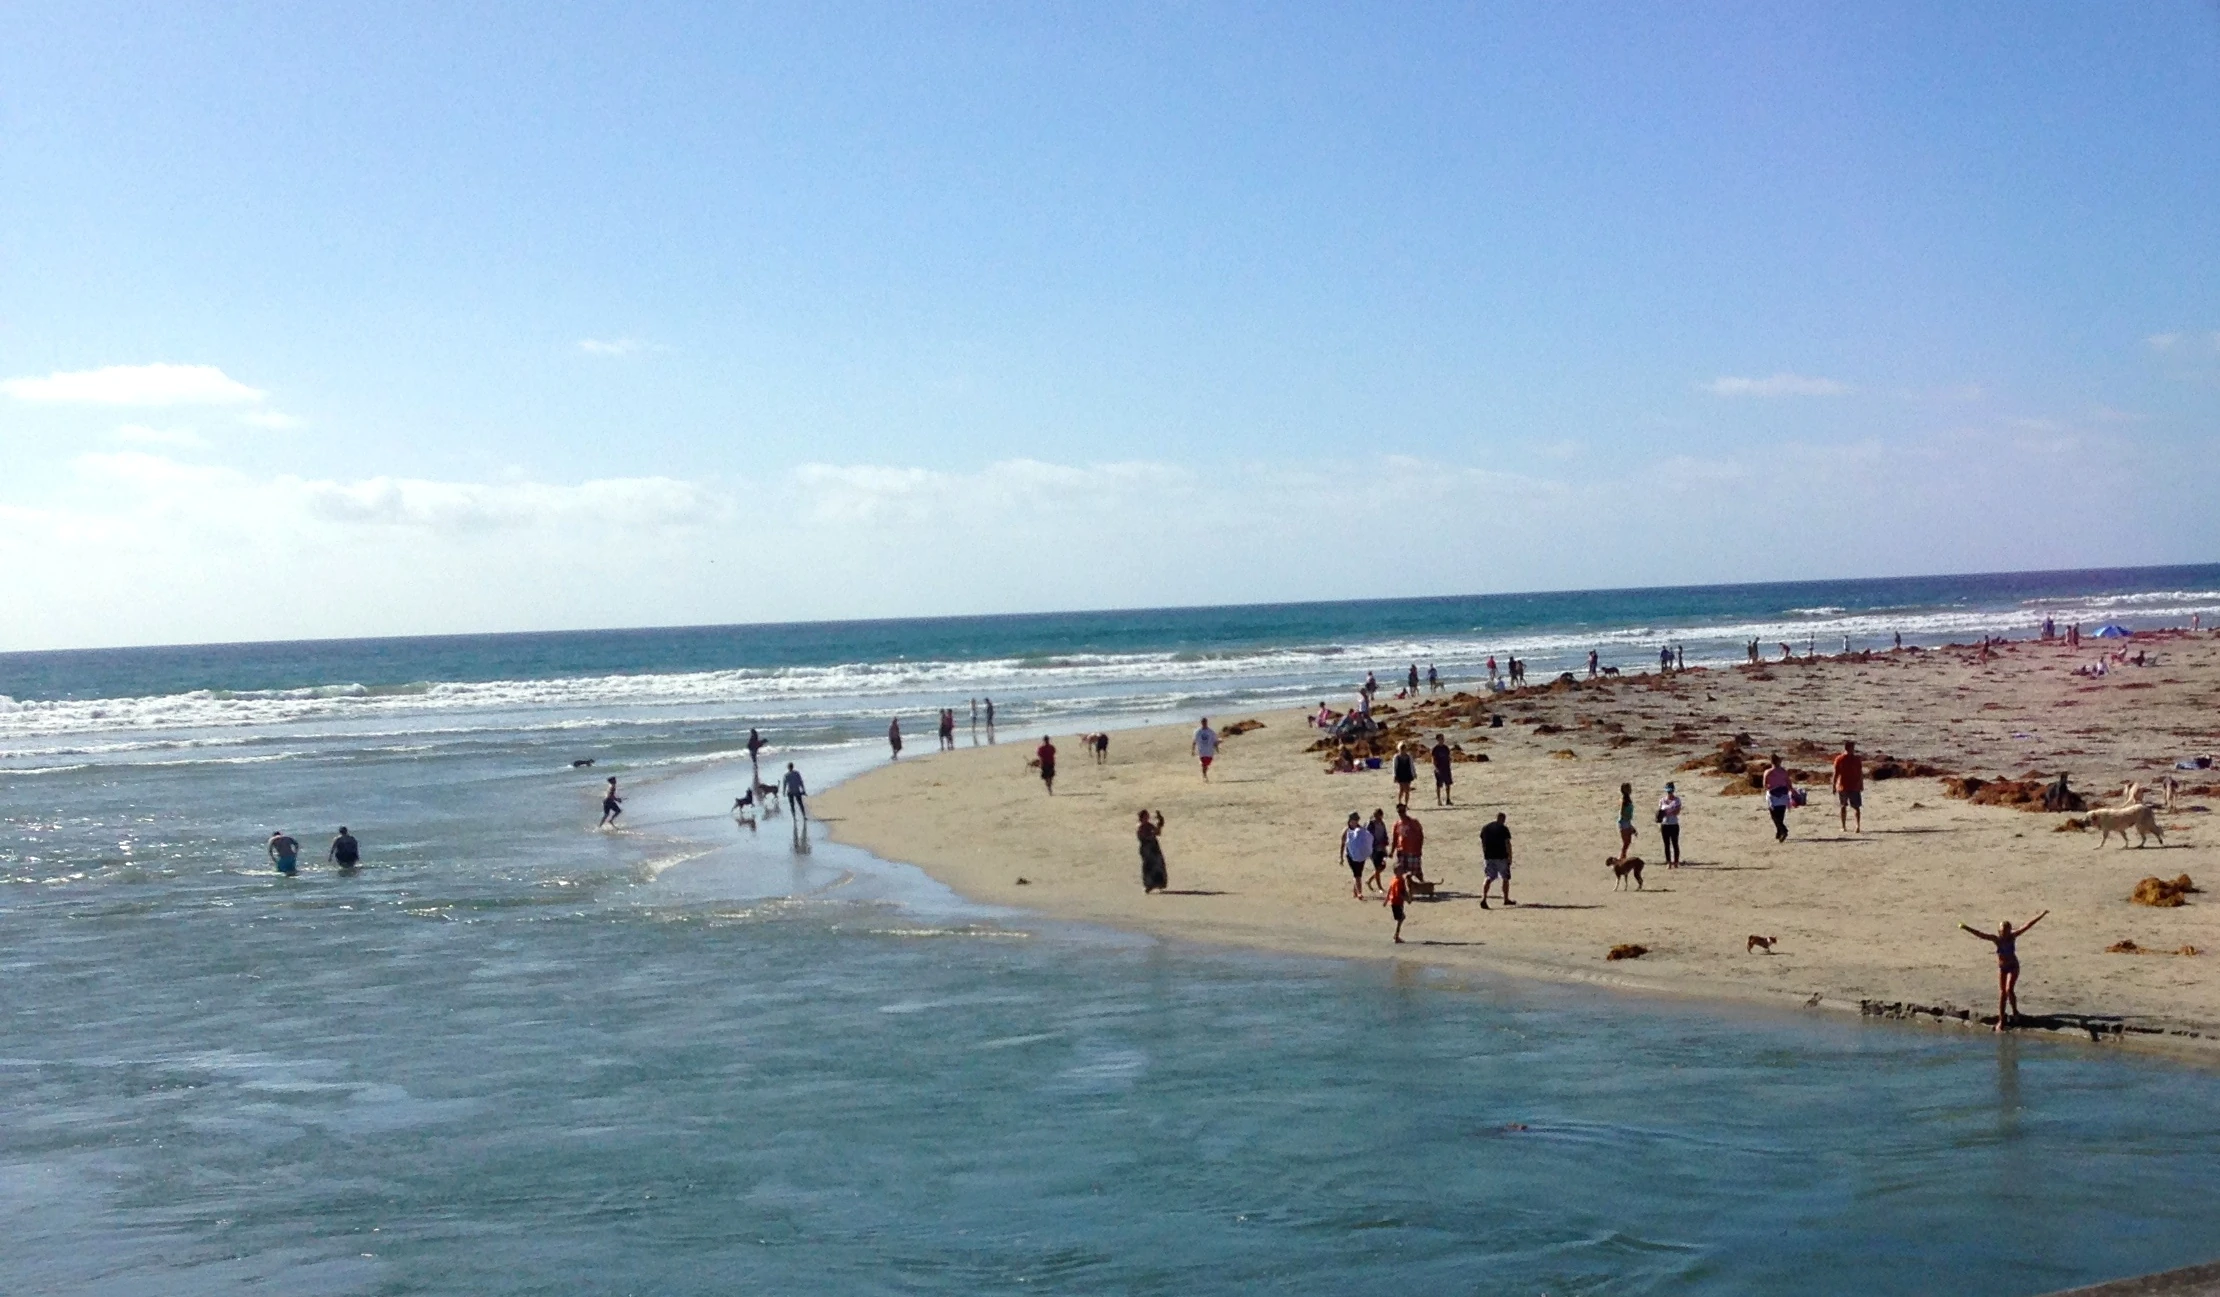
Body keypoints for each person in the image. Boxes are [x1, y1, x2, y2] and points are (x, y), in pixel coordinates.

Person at [1961, 911, 2049, 1031]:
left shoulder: (2013, 936)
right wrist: (1966, 927)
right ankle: (2001, 1019)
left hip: (2013, 966)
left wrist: (2042, 915)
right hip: (2003, 968)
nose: (2005, 933)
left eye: (2007, 931)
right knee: (2002, 993)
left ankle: (2015, 1012)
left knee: (2009, 990)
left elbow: (2027, 925)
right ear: (1999, 931)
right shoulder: (1996, 939)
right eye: (2003, 931)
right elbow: (1981, 935)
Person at [1479, 812, 1513, 909]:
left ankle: (1484, 898)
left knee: (1489, 877)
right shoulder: (1503, 829)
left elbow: (1483, 842)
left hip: (1489, 857)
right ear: (1503, 819)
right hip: (1501, 856)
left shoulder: (1485, 828)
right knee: (1505, 878)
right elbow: (1507, 843)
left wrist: (1485, 853)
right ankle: (1506, 899)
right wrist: (1510, 857)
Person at [1832, 739, 1865, 833]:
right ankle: (1848, 826)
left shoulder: (1852, 759)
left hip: (1849, 786)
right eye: (1852, 748)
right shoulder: (1842, 759)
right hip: (1846, 785)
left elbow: (1860, 773)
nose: (1853, 750)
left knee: (1850, 806)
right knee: (1848, 806)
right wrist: (1834, 785)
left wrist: (1834, 785)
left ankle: (1854, 826)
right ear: (1848, 748)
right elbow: (1836, 773)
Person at [1341, 812, 1373, 900]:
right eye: (1354, 820)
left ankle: (1355, 892)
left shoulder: (1361, 830)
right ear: (1350, 820)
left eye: (1357, 820)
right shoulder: (1346, 831)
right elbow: (1343, 844)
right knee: (1357, 874)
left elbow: (1366, 841)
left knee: (1358, 874)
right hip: (1350, 855)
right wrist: (1341, 857)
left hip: (1361, 855)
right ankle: (1359, 893)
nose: (1355, 821)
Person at [1136, 810, 1168, 893]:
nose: (1148, 817)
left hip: (1154, 847)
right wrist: (1151, 835)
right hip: (1147, 848)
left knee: (1158, 865)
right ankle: (1148, 885)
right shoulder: (1140, 826)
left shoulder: (1149, 825)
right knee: (1149, 866)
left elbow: (1157, 833)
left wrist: (1160, 824)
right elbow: (1143, 837)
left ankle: (1159, 884)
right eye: (1146, 816)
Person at [1391, 807, 1425, 882]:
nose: (1401, 813)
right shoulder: (1397, 824)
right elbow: (1395, 838)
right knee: (1401, 871)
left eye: (1402, 811)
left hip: (1413, 851)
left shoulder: (1413, 822)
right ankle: (1403, 886)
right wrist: (1392, 851)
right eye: (1399, 812)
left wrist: (1419, 848)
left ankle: (1423, 884)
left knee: (1416, 871)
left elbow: (1420, 835)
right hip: (1401, 851)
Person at [1763, 754, 1793, 842]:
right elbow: (1788, 782)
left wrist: (1768, 787)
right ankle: (1779, 831)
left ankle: (1783, 830)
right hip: (1783, 794)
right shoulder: (1783, 771)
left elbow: (1765, 784)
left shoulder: (1768, 772)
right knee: (1781, 814)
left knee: (1774, 815)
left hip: (1773, 794)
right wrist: (1792, 790)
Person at [1657, 782, 1683, 866]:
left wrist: (1666, 812)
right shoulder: (1662, 800)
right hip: (1665, 824)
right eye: (1668, 791)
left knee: (1675, 843)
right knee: (1666, 844)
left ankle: (1676, 861)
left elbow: (1677, 812)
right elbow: (1660, 812)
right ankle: (1668, 862)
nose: (1669, 793)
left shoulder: (1677, 800)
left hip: (1674, 824)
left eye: (1670, 791)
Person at [1366, 808, 1391, 892]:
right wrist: (1375, 844)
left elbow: (1384, 833)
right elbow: (1368, 837)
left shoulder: (1382, 823)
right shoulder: (1370, 824)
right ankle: (1380, 887)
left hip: (1382, 847)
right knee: (1377, 867)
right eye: (1376, 816)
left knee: (1382, 866)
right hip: (1374, 849)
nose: (1377, 818)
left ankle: (1369, 881)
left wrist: (1385, 842)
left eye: (1379, 816)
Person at [1383, 868, 1409, 943]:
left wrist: (1386, 899)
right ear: (1396, 872)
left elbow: (1402, 890)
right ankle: (1396, 936)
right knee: (1401, 918)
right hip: (1396, 902)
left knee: (1401, 917)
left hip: (1397, 902)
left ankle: (1396, 935)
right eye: (1400, 870)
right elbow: (1398, 893)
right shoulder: (1397, 881)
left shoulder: (1399, 879)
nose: (1402, 871)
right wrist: (1406, 899)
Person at [1430, 733, 1454, 806]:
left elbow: (1449, 756)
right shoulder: (1435, 749)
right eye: (1441, 739)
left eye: (1443, 738)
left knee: (1448, 784)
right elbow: (1433, 759)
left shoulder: (1446, 748)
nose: (1442, 740)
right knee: (1439, 785)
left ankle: (1448, 799)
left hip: (1446, 768)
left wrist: (1450, 762)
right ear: (1437, 739)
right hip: (1439, 768)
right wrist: (1436, 768)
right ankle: (1439, 800)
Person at [1616, 783, 1636, 861]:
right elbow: (1622, 812)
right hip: (1624, 822)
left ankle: (1623, 856)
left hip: (1627, 822)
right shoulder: (1623, 800)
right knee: (1626, 842)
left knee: (1628, 841)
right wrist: (1627, 819)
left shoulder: (1628, 800)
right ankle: (1622, 857)